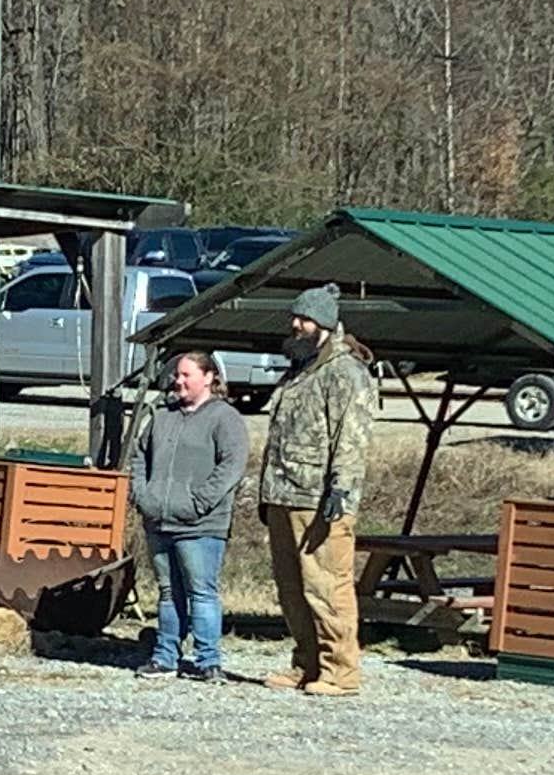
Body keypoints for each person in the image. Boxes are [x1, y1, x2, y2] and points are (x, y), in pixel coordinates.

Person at [255, 286, 380, 696]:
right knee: (291, 588)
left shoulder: (346, 372)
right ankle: (307, 663)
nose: (296, 325)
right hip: (283, 495)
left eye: (304, 319)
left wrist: (340, 492)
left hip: (319, 500)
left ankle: (340, 672)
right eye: (295, 317)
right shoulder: (300, 369)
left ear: (324, 322)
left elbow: (352, 438)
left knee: (327, 586)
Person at [126, 347, 249, 680]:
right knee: (168, 593)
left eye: (186, 375)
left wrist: (199, 502)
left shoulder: (224, 418)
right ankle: (165, 656)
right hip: (159, 520)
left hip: (201, 525)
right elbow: (138, 456)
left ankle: (208, 660)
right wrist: (141, 495)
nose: (178, 381)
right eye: (176, 375)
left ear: (208, 378)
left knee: (202, 593)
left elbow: (232, 465)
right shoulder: (162, 415)